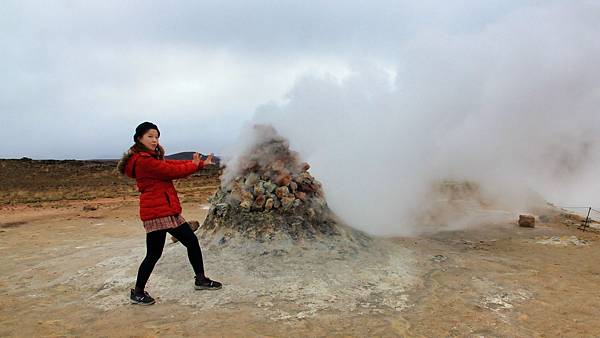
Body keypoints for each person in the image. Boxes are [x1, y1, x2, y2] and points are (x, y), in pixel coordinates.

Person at [117, 121, 222, 306]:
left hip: (167, 210)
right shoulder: (143, 161)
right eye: (150, 136)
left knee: (191, 241)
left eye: (156, 136)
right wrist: (195, 165)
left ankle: (201, 279)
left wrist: (197, 164)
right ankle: (138, 292)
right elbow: (170, 171)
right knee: (154, 254)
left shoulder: (152, 157)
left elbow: (171, 163)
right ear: (139, 138)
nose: (154, 140)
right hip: (157, 212)